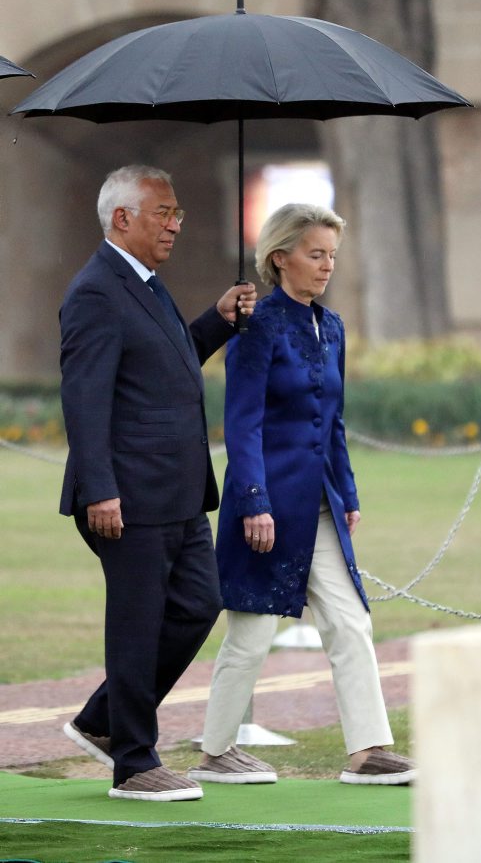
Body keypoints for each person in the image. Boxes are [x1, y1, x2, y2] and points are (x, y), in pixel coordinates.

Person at [188, 203, 414, 787]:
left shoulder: (331, 327)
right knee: (252, 634)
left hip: (321, 507)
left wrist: (349, 493)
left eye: (332, 255)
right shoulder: (255, 325)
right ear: (280, 257)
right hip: (264, 507)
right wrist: (255, 501)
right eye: (316, 254)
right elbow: (241, 425)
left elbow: (332, 421)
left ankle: (369, 751)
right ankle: (216, 752)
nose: (327, 265)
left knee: (350, 622)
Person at [59, 165, 257, 802]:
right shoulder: (96, 291)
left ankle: (103, 720)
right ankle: (134, 764)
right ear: (122, 219)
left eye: (177, 214)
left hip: (179, 492)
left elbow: (168, 364)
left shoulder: (144, 283)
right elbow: (84, 399)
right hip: (128, 495)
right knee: (137, 625)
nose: (175, 225)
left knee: (199, 602)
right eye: (163, 213)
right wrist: (99, 489)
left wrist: (217, 320)